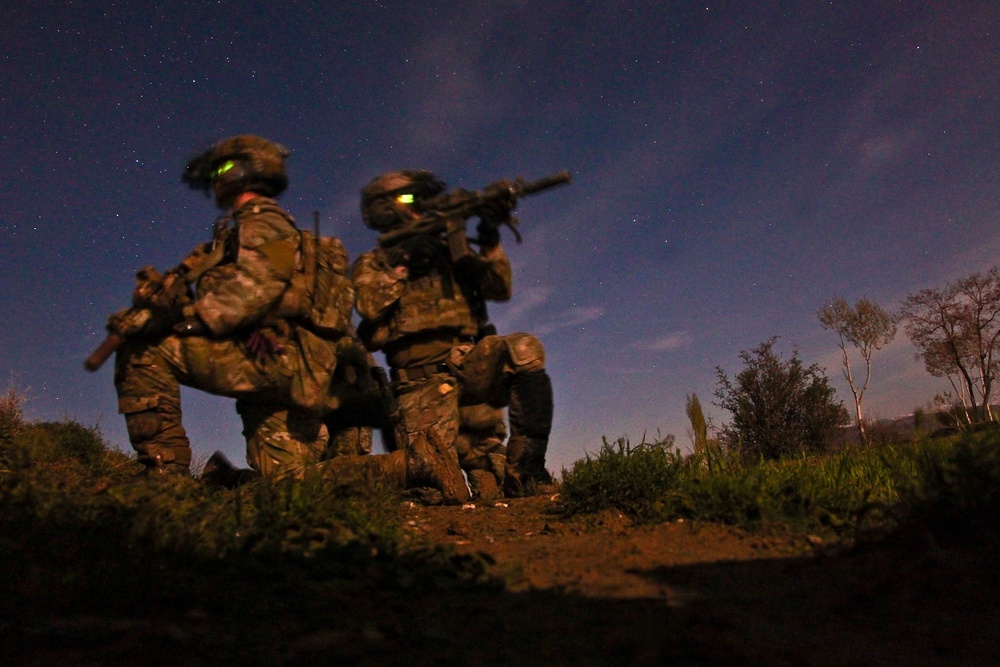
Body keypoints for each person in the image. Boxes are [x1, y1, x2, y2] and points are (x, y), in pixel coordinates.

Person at [110, 136, 459, 498]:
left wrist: (187, 321)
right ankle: (414, 466)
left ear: (244, 170)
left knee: (143, 352)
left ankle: (164, 475)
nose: (216, 179)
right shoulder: (253, 233)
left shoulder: (261, 221)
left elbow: (256, 285)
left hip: (272, 360)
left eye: (223, 169)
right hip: (300, 374)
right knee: (288, 487)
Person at [352, 170, 555, 497]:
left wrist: (489, 240)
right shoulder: (373, 262)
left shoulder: (447, 249)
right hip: (420, 383)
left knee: (525, 348)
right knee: (433, 486)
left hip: (468, 365)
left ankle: (528, 470)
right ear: (384, 209)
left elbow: (499, 288)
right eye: (408, 199)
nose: (417, 207)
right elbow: (369, 305)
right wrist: (404, 261)